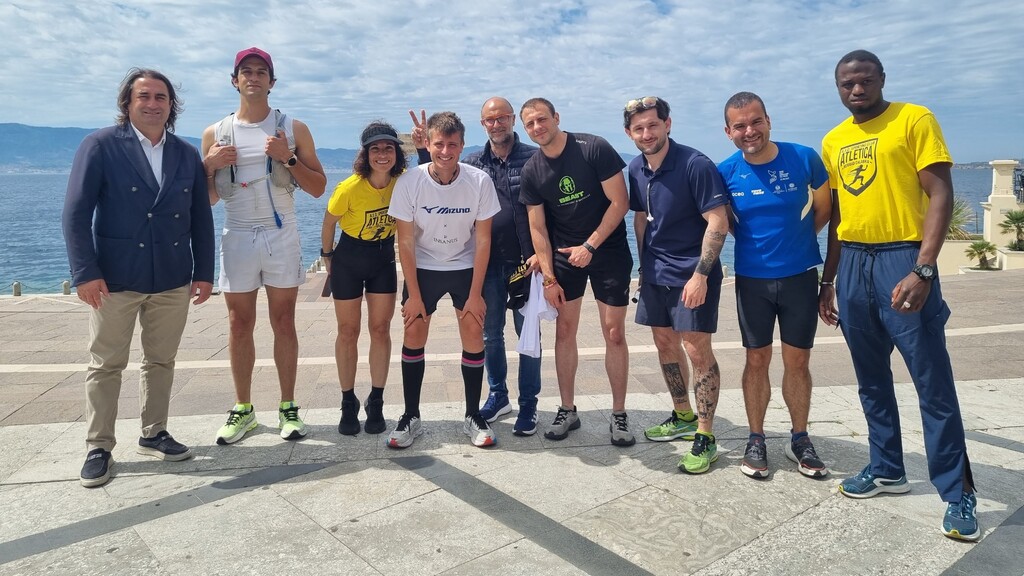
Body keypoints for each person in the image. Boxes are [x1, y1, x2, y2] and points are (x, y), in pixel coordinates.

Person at [819, 49, 978, 541]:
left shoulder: (913, 119)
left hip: (902, 257)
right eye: (847, 83)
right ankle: (887, 468)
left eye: (865, 80)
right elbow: (839, 216)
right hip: (854, 264)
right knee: (870, 380)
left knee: (932, 381)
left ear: (881, 79)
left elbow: (940, 193)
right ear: (838, 87)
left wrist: (924, 268)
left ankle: (957, 492)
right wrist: (828, 280)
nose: (857, 89)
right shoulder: (834, 140)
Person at [62, 68, 215, 488]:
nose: (152, 104)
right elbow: (75, 214)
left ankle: (154, 432)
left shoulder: (185, 153)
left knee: (161, 360)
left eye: (160, 97)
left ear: (171, 105)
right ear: (127, 103)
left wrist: (204, 272)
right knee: (106, 363)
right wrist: (85, 273)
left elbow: (200, 218)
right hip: (115, 276)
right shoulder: (100, 145)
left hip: (171, 274)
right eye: (143, 96)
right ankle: (98, 446)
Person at [201, 47, 327, 445]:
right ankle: (244, 409)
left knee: (284, 319)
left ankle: (288, 406)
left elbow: (318, 187)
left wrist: (288, 158)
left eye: (261, 72)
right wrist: (209, 167)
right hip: (237, 232)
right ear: (234, 80)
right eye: (246, 71)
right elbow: (208, 199)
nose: (253, 77)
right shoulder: (215, 133)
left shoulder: (293, 128)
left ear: (272, 82)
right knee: (238, 323)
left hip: (281, 231)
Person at [409, 97, 543, 436]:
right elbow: (441, 184)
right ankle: (498, 395)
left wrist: (544, 254)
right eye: (489, 119)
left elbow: (548, 208)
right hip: (486, 262)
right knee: (490, 333)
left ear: (512, 120)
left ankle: (529, 403)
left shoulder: (534, 158)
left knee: (528, 334)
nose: (496, 124)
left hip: (526, 261)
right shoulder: (472, 162)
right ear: (482, 124)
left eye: (502, 118)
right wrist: (424, 151)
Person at [718, 92, 831, 479]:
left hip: (800, 277)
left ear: (768, 120)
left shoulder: (804, 157)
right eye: (740, 126)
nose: (749, 131)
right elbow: (726, 222)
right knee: (756, 360)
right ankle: (756, 438)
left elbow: (824, 209)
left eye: (756, 121)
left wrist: (798, 242)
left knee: (798, 362)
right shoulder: (725, 171)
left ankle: (800, 438)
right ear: (728, 132)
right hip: (752, 280)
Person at [518, 98, 635, 446]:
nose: (537, 127)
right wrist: (549, 277)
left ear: (556, 117)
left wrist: (591, 245)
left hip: (607, 250)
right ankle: (568, 409)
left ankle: (619, 413)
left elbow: (620, 201)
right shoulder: (532, 170)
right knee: (565, 331)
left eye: (542, 119)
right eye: (530, 124)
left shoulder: (593, 148)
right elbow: (537, 228)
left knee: (614, 332)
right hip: (564, 256)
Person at [623, 97, 729, 472]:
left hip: (691, 271)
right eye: (639, 128)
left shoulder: (695, 164)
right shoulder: (635, 168)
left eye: (653, 125)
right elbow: (640, 217)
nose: (646, 133)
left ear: (667, 124)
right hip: (655, 273)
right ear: (629, 133)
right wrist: (642, 266)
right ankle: (682, 415)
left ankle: (705, 436)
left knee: (696, 349)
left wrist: (701, 275)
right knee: (665, 343)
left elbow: (718, 221)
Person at [386, 111, 501, 449]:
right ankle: (411, 415)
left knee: (473, 333)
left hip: (465, 266)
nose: (445, 151)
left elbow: (484, 240)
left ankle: (473, 415)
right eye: (439, 144)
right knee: (414, 332)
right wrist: (414, 295)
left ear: (462, 145)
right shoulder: (410, 182)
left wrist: (476, 294)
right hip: (424, 266)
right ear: (428, 144)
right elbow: (405, 241)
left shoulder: (479, 181)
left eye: (452, 145)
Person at [321, 122, 405, 436]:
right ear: (366, 154)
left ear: (396, 153)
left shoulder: (402, 183)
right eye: (375, 149)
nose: (382, 155)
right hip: (349, 258)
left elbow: (431, 177)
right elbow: (329, 222)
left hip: (383, 258)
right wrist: (327, 256)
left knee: (381, 330)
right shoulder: (349, 187)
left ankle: (376, 400)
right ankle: (347, 401)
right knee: (348, 331)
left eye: (388, 148)